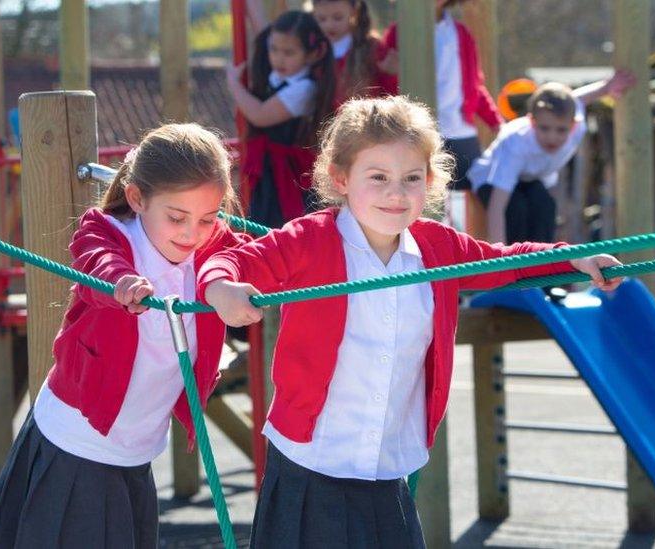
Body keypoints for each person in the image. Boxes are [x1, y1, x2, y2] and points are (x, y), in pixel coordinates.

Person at [198, 96, 623, 548]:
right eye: (378, 177)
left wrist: (572, 259)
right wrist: (221, 289)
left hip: (387, 464)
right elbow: (230, 262)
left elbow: (506, 262)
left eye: (411, 178)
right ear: (341, 179)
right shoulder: (310, 240)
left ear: (430, 182)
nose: (396, 193)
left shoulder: (437, 249)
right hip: (312, 458)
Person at [0, 123, 251, 549]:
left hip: (136, 446)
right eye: (177, 217)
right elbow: (95, 261)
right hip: (78, 440)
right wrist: (120, 282)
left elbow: (249, 256)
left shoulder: (212, 246)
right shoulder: (111, 234)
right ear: (137, 198)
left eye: (208, 218)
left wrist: (227, 284)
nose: (191, 233)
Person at [468, 71, 636, 244]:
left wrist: (606, 87)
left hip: (528, 178)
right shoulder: (517, 143)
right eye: (544, 128)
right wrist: (499, 255)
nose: (552, 137)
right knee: (516, 208)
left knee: (544, 204)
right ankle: (514, 263)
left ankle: (543, 262)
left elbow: (576, 98)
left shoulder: (576, 125)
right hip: (489, 179)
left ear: (573, 125)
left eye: (561, 130)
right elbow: (498, 206)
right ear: (532, 122)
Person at [227, 6, 336, 228]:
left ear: (313, 54)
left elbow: (259, 115)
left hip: (287, 175)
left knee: (280, 224)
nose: (278, 58)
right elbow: (263, 32)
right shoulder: (280, 72)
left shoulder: (303, 88)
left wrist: (234, 85)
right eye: (274, 50)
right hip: (268, 170)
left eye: (288, 53)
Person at [381, 0, 503, 190]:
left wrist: (496, 123)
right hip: (417, 135)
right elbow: (386, 89)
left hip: (461, 133)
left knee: (473, 197)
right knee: (427, 199)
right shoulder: (399, 33)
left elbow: (474, 87)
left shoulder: (461, 33)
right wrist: (391, 73)